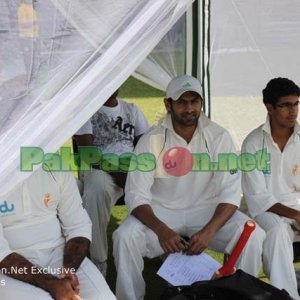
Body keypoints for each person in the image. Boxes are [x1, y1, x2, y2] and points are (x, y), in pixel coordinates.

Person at [112, 74, 265, 300]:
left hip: (206, 211)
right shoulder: (151, 139)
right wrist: (161, 229)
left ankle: (238, 296)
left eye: (194, 101)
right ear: (168, 104)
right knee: (124, 236)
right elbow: (135, 194)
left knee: (253, 235)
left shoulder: (219, 136)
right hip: (162, 211)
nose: (189, 108)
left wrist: (209, 231)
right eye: (182, 102)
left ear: (201, 103)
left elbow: (230, 192)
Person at [0, 167, 116, 300]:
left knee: (104, 297)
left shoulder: (54, 165)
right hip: (9, 267)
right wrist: (52, 284)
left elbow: (78, 226)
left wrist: (68, 270)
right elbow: (2, 253)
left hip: (60, 256)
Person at [73, 89, 149, 276]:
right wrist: (120, 173)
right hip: (100, 171)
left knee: (164, 178)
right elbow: (89, 155)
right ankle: (98, 262)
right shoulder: (87, 111)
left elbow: (147, 145)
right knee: (96, 188)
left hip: (129, 170)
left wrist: (135, 171)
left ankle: (168, 245)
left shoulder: (132, 110)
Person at [242, 77, 300, 300]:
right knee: (276, 232)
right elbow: (258, 197)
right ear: (270, 107)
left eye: (296, 104)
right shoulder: (253, 143)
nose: (293, 111)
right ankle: (287, 296)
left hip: (296, 208)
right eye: (286, 105)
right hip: (264, 211)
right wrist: (295, 215)